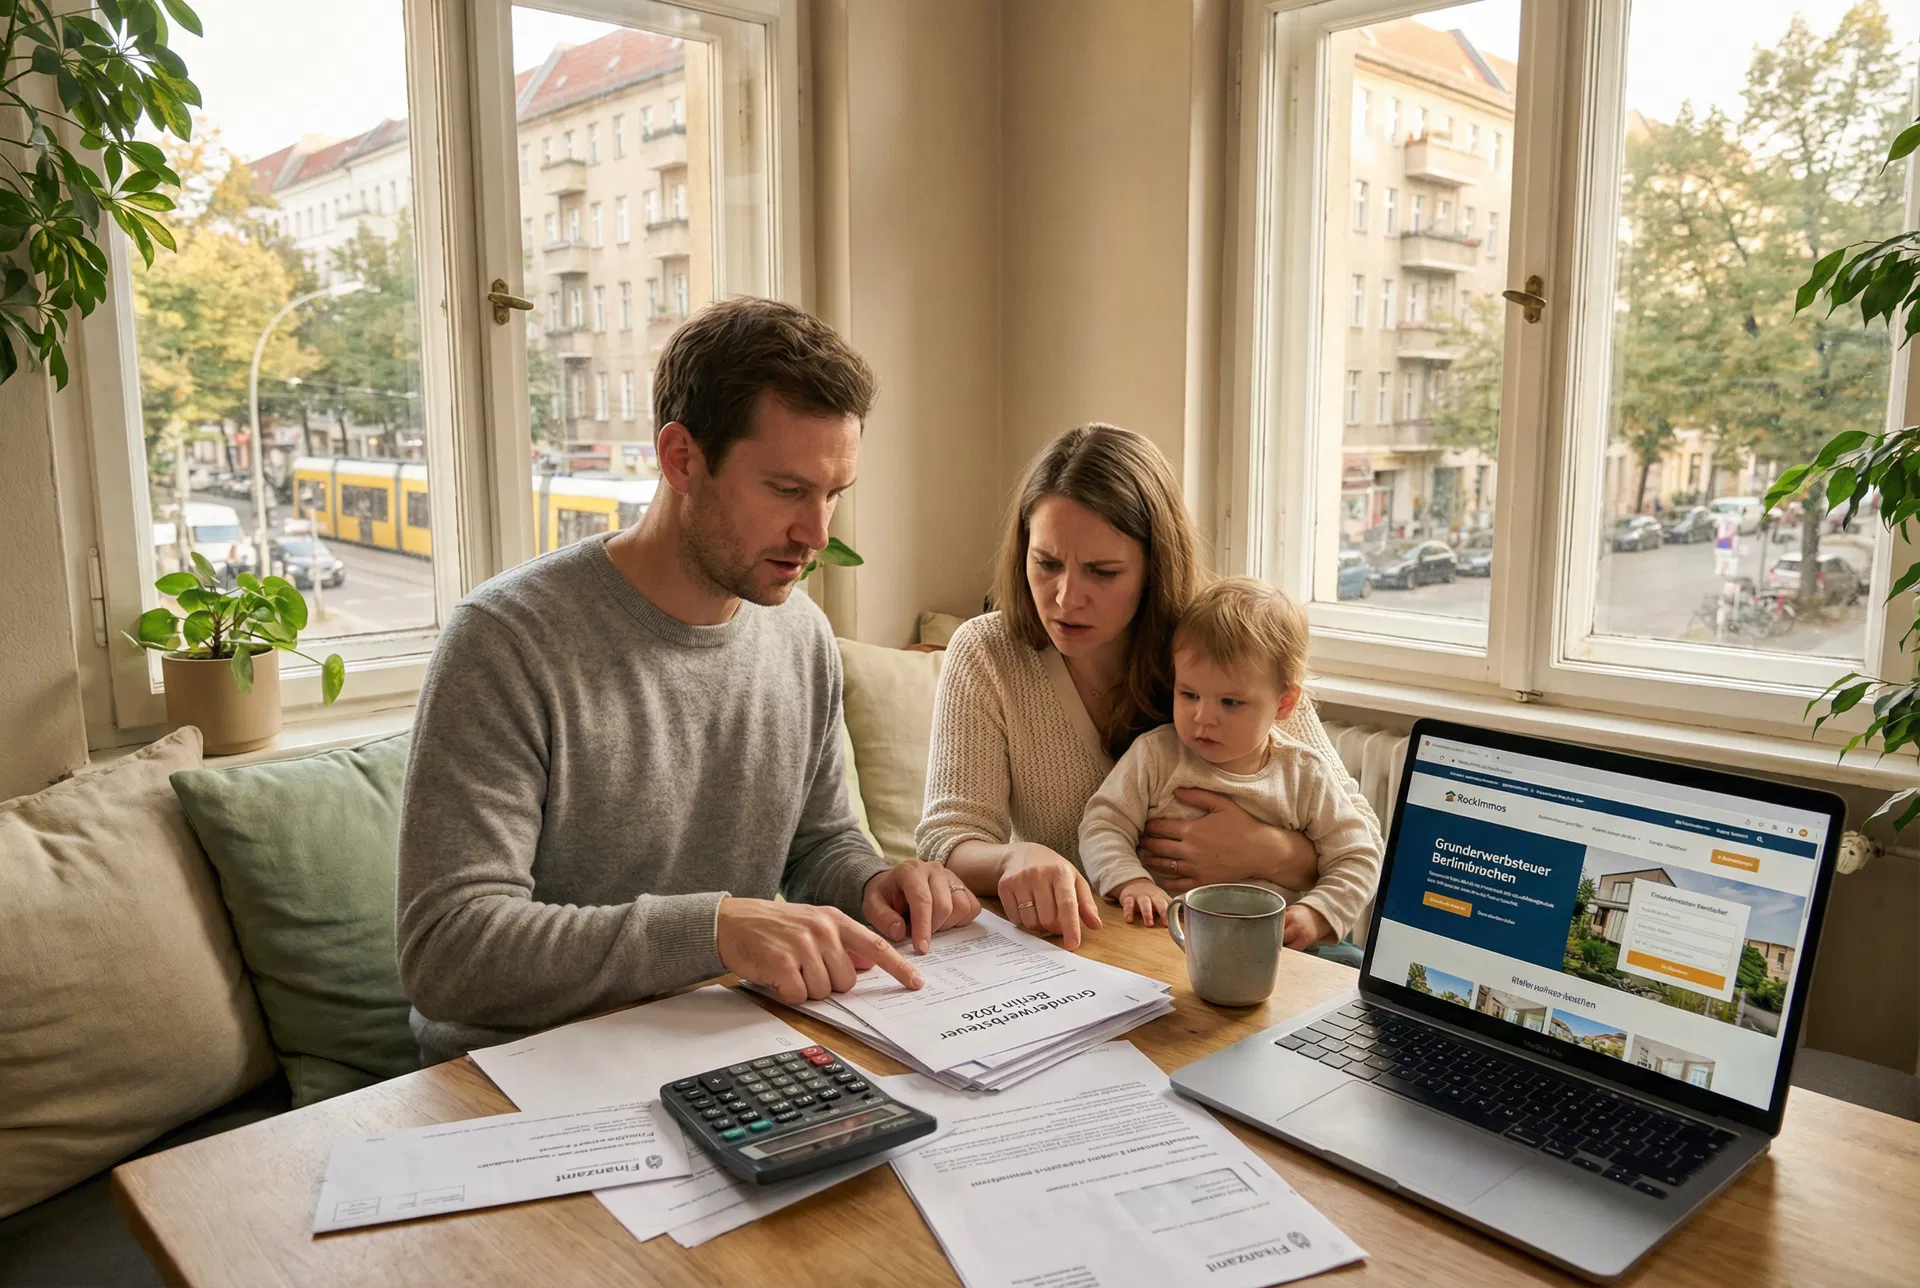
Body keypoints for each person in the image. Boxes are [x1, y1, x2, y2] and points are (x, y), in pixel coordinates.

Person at [397, 297, 980, 1063]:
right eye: (785, 490)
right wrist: (712, 930)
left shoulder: (799, 633)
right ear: (681, 459)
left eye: (834, 493)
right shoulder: (507, 642)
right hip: (522, 1071)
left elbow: (820, 843)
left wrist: (872, 883)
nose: (817, 534)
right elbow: (450, 952)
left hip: (706, 1044)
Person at [916, 423, 1380, 948]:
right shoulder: (987, 652)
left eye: (1103, 572)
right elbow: (947, 838)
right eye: (1046, 563)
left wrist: (1273, 853)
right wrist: (1014, 856)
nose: (1066, 598)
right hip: (1094, 951)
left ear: (1154, 568)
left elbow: (1359, 828)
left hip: (1248, 950)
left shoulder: (1220, 641)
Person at [1077, 578, 1382, 949]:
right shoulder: (1156, 755)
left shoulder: (1304, 774)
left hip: (1271, 947)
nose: (1203, 717)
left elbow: (1358, 856)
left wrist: (1318, 913)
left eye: (1230, 703)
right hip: (1166, 938)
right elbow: (1102, 825)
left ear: (1285, 704)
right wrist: (1130, 881)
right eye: (1189, 694)